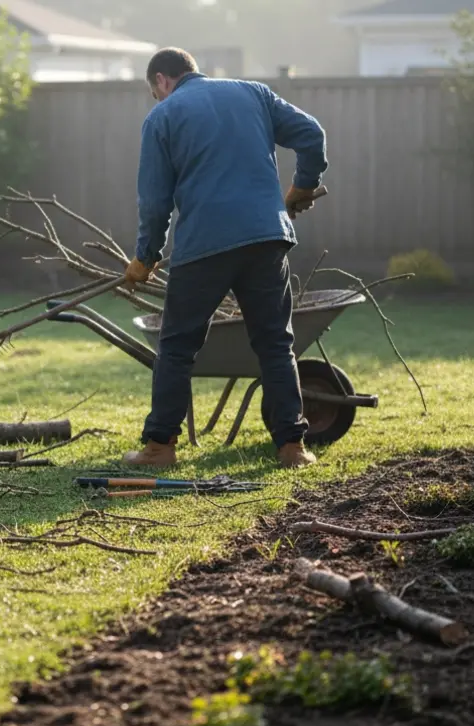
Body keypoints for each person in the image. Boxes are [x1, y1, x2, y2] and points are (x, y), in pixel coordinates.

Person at [121, 47, 329, 470]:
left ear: (161, 80)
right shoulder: (253, 93)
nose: (157, 99)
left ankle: (160, 448)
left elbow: (155, 200)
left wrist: (146, 256)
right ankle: (292, 448)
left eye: (154, 92)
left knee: (177, 347)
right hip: (267, 238)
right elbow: (312, 135)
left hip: (205, 246)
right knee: (276, 343)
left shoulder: (162, 116)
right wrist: (303, 186)